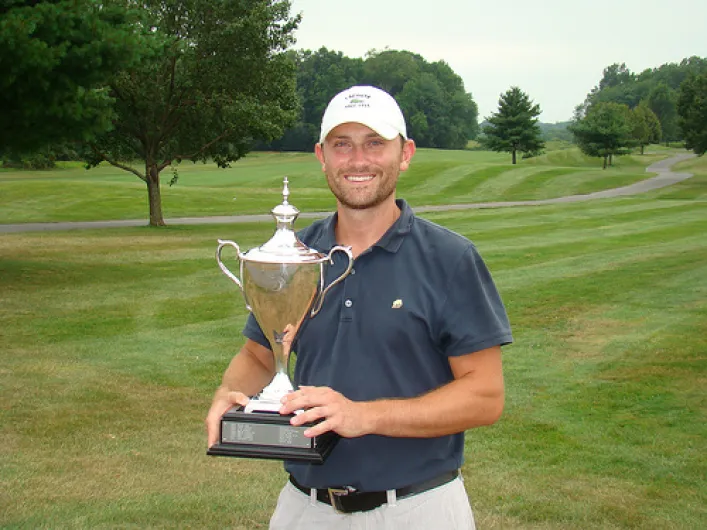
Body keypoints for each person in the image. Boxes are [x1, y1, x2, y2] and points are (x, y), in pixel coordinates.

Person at [206, 85, 512, 529]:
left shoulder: (450, 259)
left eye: (375, 143)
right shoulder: (297, 253)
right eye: (342, 145)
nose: (358, 160)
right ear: (322, 155)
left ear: (404, 154)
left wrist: (363, 415)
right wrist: (228, 396)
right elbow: (258, 354)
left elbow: (485, 396)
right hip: (304, 509)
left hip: (418, 509)